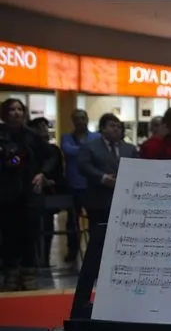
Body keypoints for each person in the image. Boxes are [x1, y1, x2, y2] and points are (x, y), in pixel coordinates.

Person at [0, 98, 55, 288]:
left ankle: (28, 272)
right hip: (6, 192)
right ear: (4, 114)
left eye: (19, 109)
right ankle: (11, 272)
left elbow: (51, 156)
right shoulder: (1, 135)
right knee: (8, 234)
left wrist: (42, 173)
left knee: (30, 234)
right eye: (11, 109)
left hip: (30, 191)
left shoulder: (32, 135)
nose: (16, 113)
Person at [78, 113, 139, 229]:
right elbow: (83, 166)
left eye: (118, 126)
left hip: (125, 201)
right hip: (99, 200)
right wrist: (103, 178)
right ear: (102, 128)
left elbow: (137, 168)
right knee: (99, 235)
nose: (116, 129)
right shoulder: (90, 147)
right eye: (112, 126)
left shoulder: (130, 148)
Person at [60, 109, 99, 262]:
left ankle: (95, 251)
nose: (80, 121)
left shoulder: (96, 136)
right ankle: (73, 250)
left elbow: (97, 153)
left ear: (87, 119)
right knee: (72, 221)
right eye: (76, 118)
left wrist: (83, 150)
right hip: (73, 184)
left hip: (91, 185)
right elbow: (68, 151)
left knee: (94, 219)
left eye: (82, 118)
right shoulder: (67, 137)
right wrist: (87, 149)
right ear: (73, 120)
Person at [28, 117, 66, 268]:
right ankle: (34, 260)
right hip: (31, 193)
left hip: (49, 193)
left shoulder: (54, 150)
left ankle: (45, 259)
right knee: (33, 228)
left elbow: (59, 172)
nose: (43, 128)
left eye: (44, 125)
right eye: (39, 126)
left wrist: (50, 181)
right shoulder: (29, 149)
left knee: (48, 227)